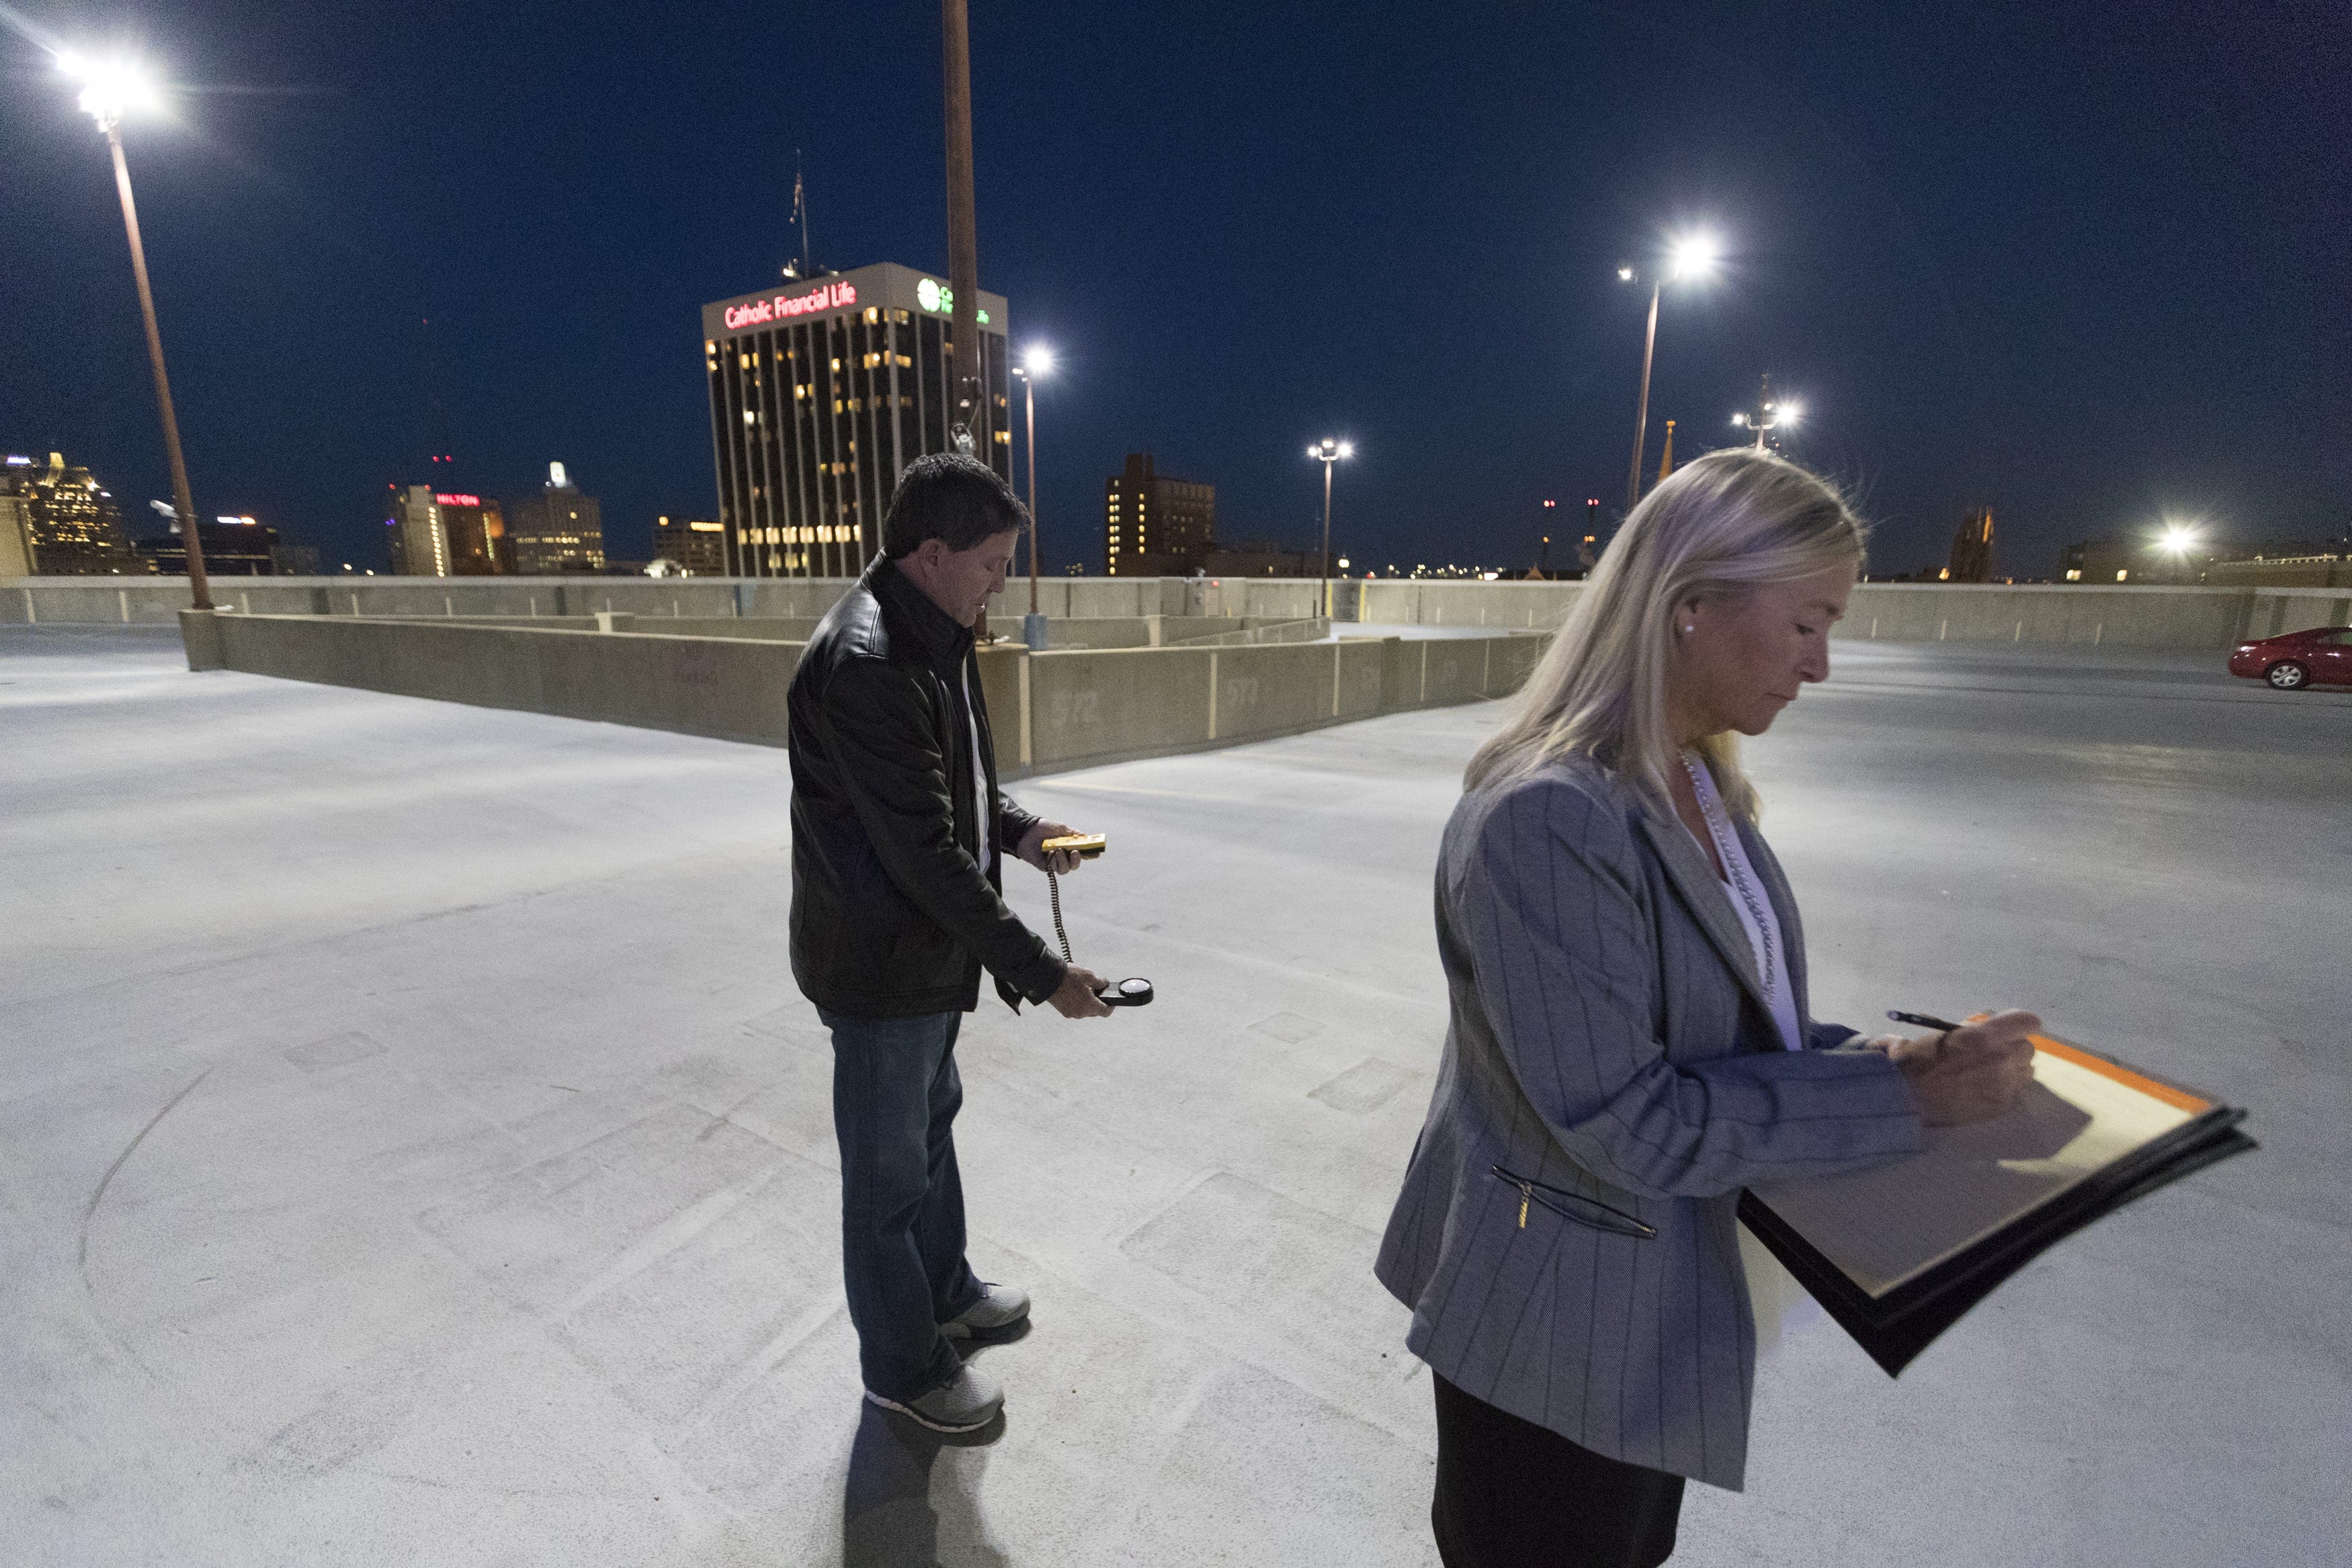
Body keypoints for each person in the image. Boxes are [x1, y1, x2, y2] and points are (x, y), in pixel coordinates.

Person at [1374, 448, 2038, 1567]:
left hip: (1658, 1306)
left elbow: (1732, 1026)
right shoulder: (1550, 817)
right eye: (1807, 624)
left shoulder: (1704, 786)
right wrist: (1899, 1105)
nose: (1823, 665)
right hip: (1558, 1325)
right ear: (1688, 609)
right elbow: (1631, 1117)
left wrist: (1899, 1061)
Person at [788, 452, 1114, 1435]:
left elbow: (961, 788)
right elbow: (925, 853)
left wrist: (1022, 832)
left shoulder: (937, 629)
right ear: (933, 554)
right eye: (994, 564)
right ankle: (903, 1366)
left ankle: (948, 1292)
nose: (1001, 585)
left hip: (926, 960)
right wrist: (1045, 972)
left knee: (931, 1131)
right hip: (883, 966)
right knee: (885, 1183)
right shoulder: (870, 662)